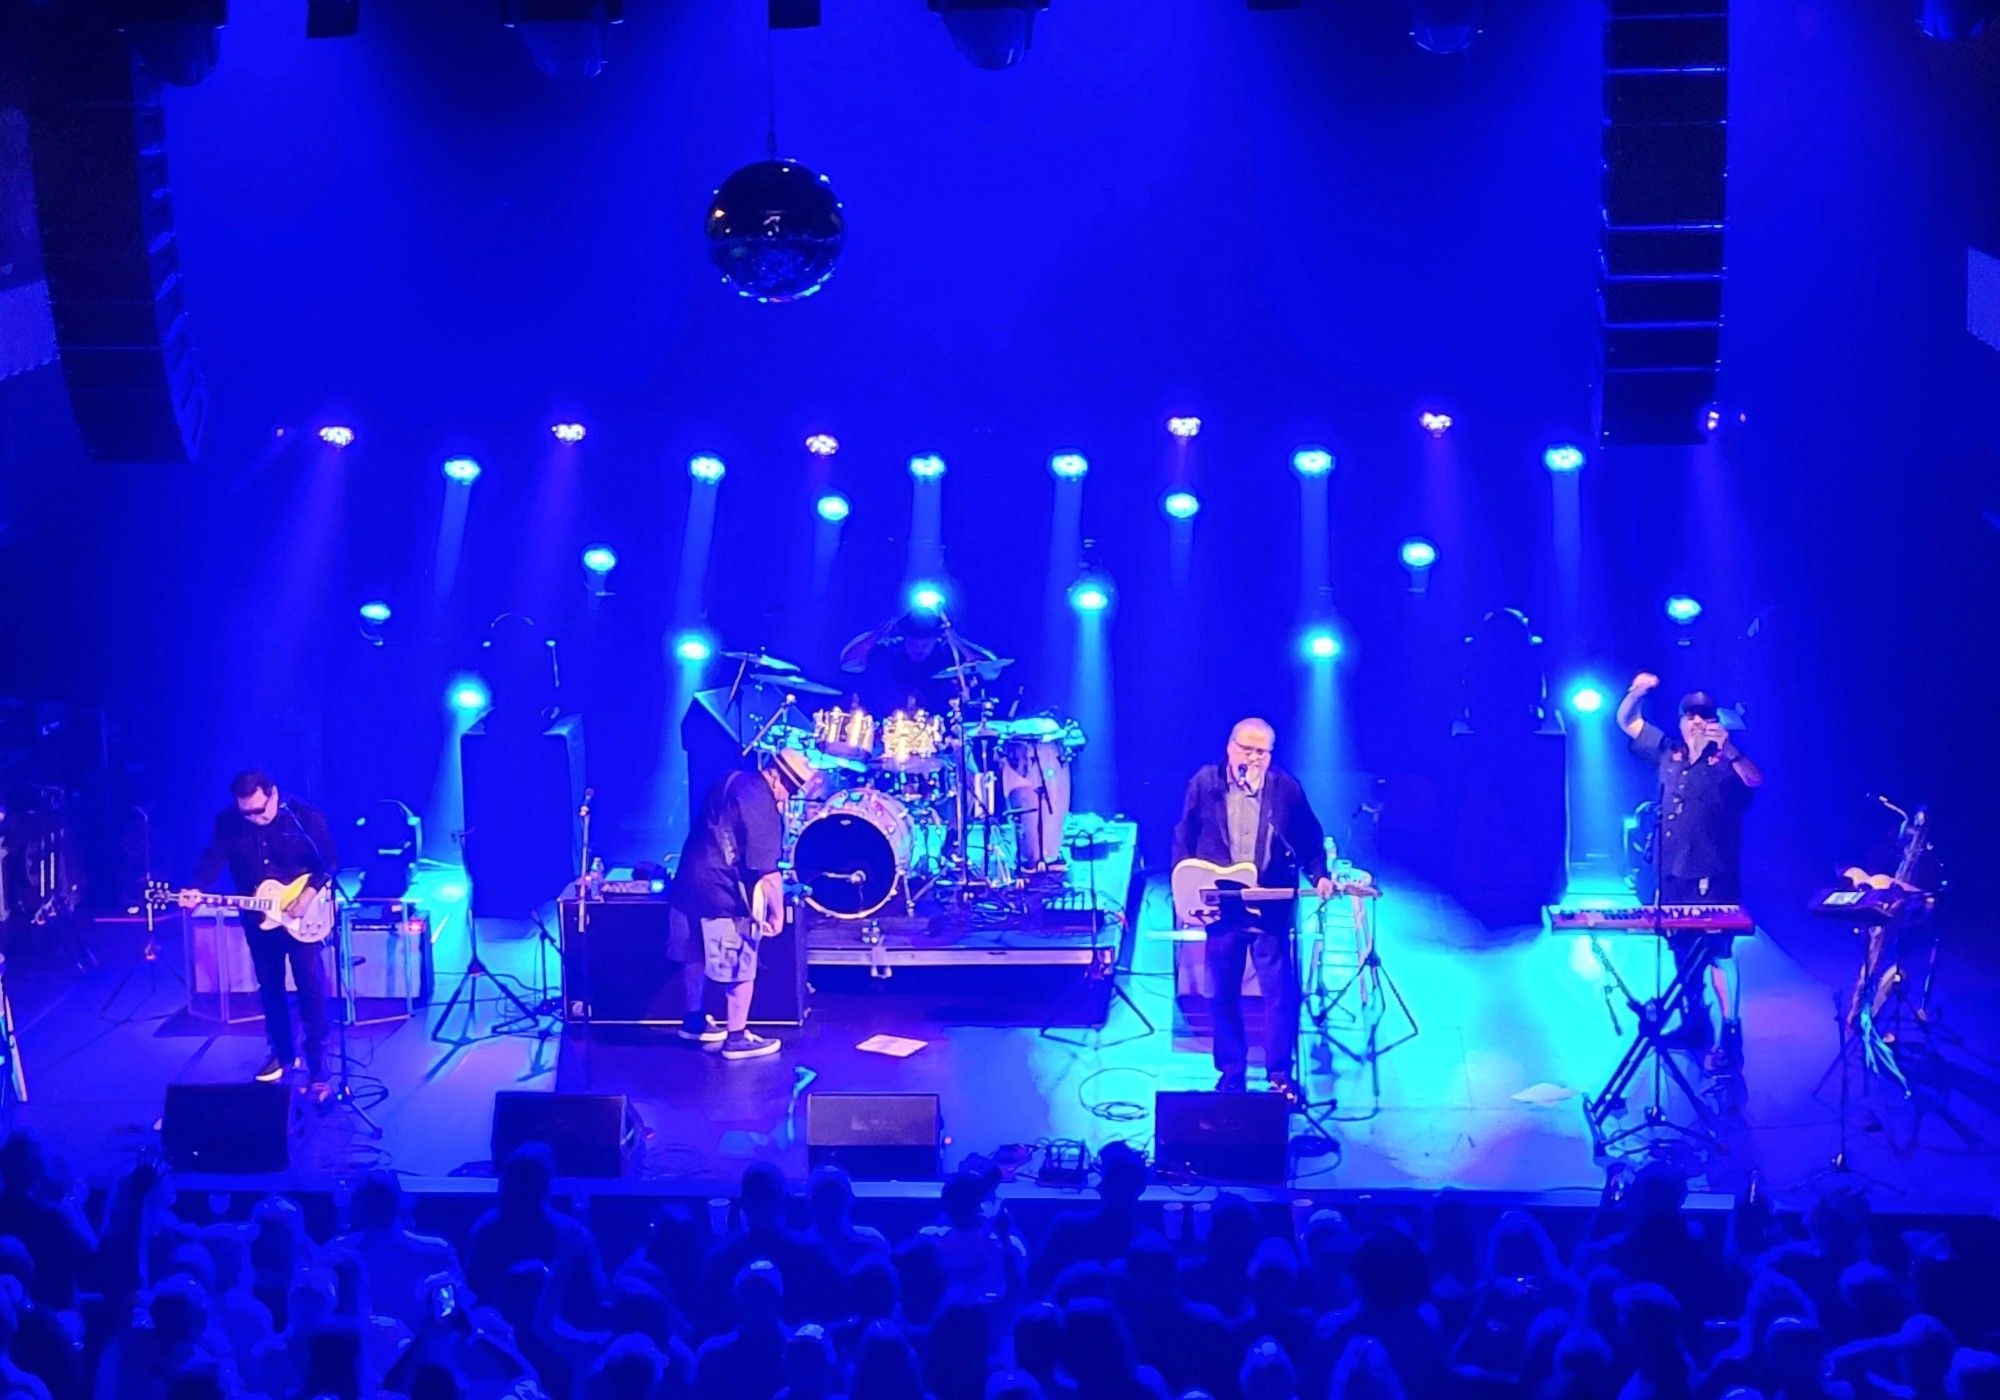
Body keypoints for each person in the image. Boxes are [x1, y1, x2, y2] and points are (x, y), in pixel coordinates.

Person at [1171, 718, 1334, 1097]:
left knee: (1280, 994)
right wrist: (1185, 893)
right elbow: (1184, 837)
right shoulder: (1206, 783)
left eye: (1262, 751)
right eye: (1247, 749)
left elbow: (1310, 838)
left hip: (1270, 907)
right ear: (1230, 747)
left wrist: (1319, 875)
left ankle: (1279, 1074)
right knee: (1222, 991)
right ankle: (1231, 1071)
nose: (1254, 757)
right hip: (1223, 906)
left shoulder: (1284, 790)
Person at [1616, 676, 1764, 1070]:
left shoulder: (1727, 762)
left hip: (1713, 878)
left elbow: (1755, 779)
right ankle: (1694, 1023)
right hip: (1673, 875)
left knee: (1718, 954)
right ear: (1681, 721)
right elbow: (1627, 721)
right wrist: (1636, 693)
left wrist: (1729, 747)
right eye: (1690, 716)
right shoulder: (1669, 752)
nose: (1696, 722)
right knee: (1682, 953)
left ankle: (1730, 1034)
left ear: (1716, 721)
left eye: (1705, 716)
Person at [182, 770, 338, 1092]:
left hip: (303, 913)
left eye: (259, 810)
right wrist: (196, 887)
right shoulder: (229, 822)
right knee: (269, 986)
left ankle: (318, 1061)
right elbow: (213, 858)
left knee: (310, 985)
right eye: (246, 813)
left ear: (273, 794)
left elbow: (331, 862)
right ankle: (282, 1053)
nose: (253, 818)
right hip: (259, 918)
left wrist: (307, 897)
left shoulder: (303, 816)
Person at [667, 749, 820, 1061]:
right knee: (741, 967)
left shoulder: (731, 779)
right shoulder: (764, 808)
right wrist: (778, 914)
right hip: (724, 896)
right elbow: (768, 875)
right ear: (777, 779)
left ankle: (694, 1022)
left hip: (687, 884)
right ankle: (737, 1038)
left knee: (694, 955)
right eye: (789, 789)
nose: (786, 797)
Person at [840, 606, 1003, 717]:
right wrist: (879, 633)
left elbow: (992, 671)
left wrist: (955, 639)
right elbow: (848, 662)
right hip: (890, 738)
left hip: (943, 742)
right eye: (913, 642)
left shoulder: (948, 653)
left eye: (925, 643)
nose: (919, 648)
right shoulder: (889, 651)